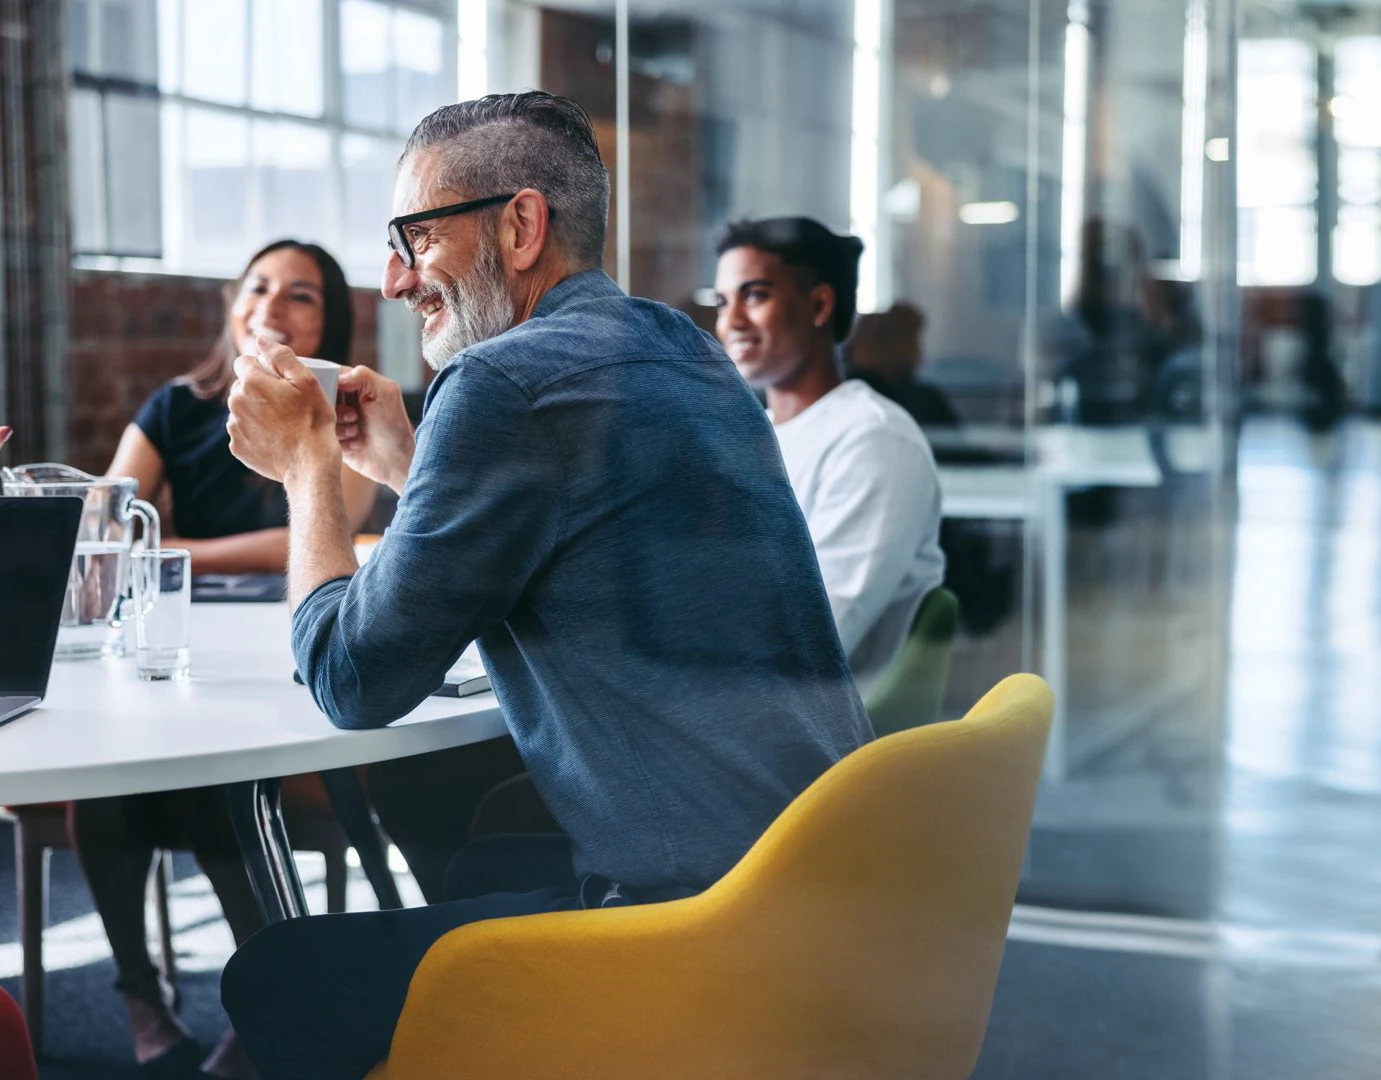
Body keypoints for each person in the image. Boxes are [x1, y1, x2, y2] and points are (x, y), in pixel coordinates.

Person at [216, 91, 866, 1079]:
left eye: (413, 237)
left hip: (699, 925)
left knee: (273, 977)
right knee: (483, 857)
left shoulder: (502, 385)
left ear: (519, 225)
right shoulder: (679, 346)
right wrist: (409, 466)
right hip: (815, 885)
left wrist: (310, 467)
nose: (392, 280)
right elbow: (576, 535)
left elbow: (352, 683)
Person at [70, 240, 377, 1080]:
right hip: (178, 647)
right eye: (260, 286)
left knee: (220, 774)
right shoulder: (176, 407)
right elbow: (106, 523)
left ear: (332, 321)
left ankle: (262, 1001)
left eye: (302, 295)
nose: (274, 303)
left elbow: (321, 532)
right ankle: (139, 993)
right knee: (106, 778)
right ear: (234, 305)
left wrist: (179, 552)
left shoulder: (344, 409)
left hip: (287, 648)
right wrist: (145, 544)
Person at [713, 216, 945, 687]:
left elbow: (814, 637)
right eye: (722, 301)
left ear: (819, 304)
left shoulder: (873, 440)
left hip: (812, 732)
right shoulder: (755, 435)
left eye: (755, 295)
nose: (731, 321)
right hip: (739, 698)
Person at [845, 301, 960, 429]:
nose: (920, 351)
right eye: (914, 342)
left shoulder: (843, 396)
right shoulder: (922, 401)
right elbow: (960, 446)